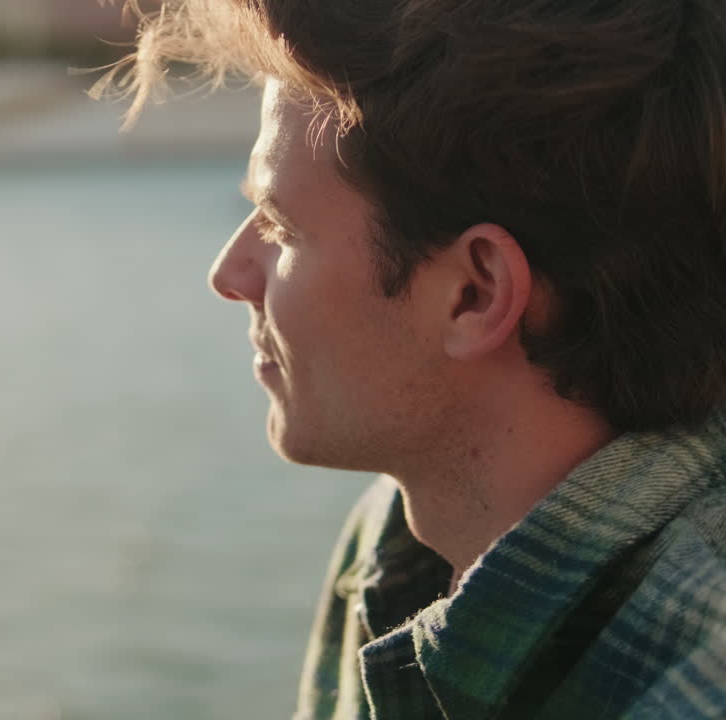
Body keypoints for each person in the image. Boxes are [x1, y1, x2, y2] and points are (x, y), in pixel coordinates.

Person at [97, 0, 726, 717]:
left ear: (474, 293)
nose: (230, 273)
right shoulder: (404, 531)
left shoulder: (697, 685)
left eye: (280, 224)